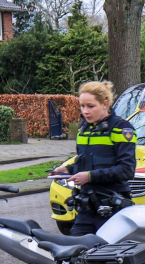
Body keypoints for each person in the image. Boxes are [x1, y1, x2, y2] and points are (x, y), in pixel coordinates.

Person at [51, 81, 136, 236]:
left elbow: (127, 169)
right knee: (74, 254)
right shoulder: (84, 130)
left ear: (105, 104)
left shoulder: (121, 128)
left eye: (90, 106)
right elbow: (84, 163)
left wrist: (89, 177)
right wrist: (67, 170)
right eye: (82, 106)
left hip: (112, 208)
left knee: (106, 257)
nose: (85, 111)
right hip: (86, 208)